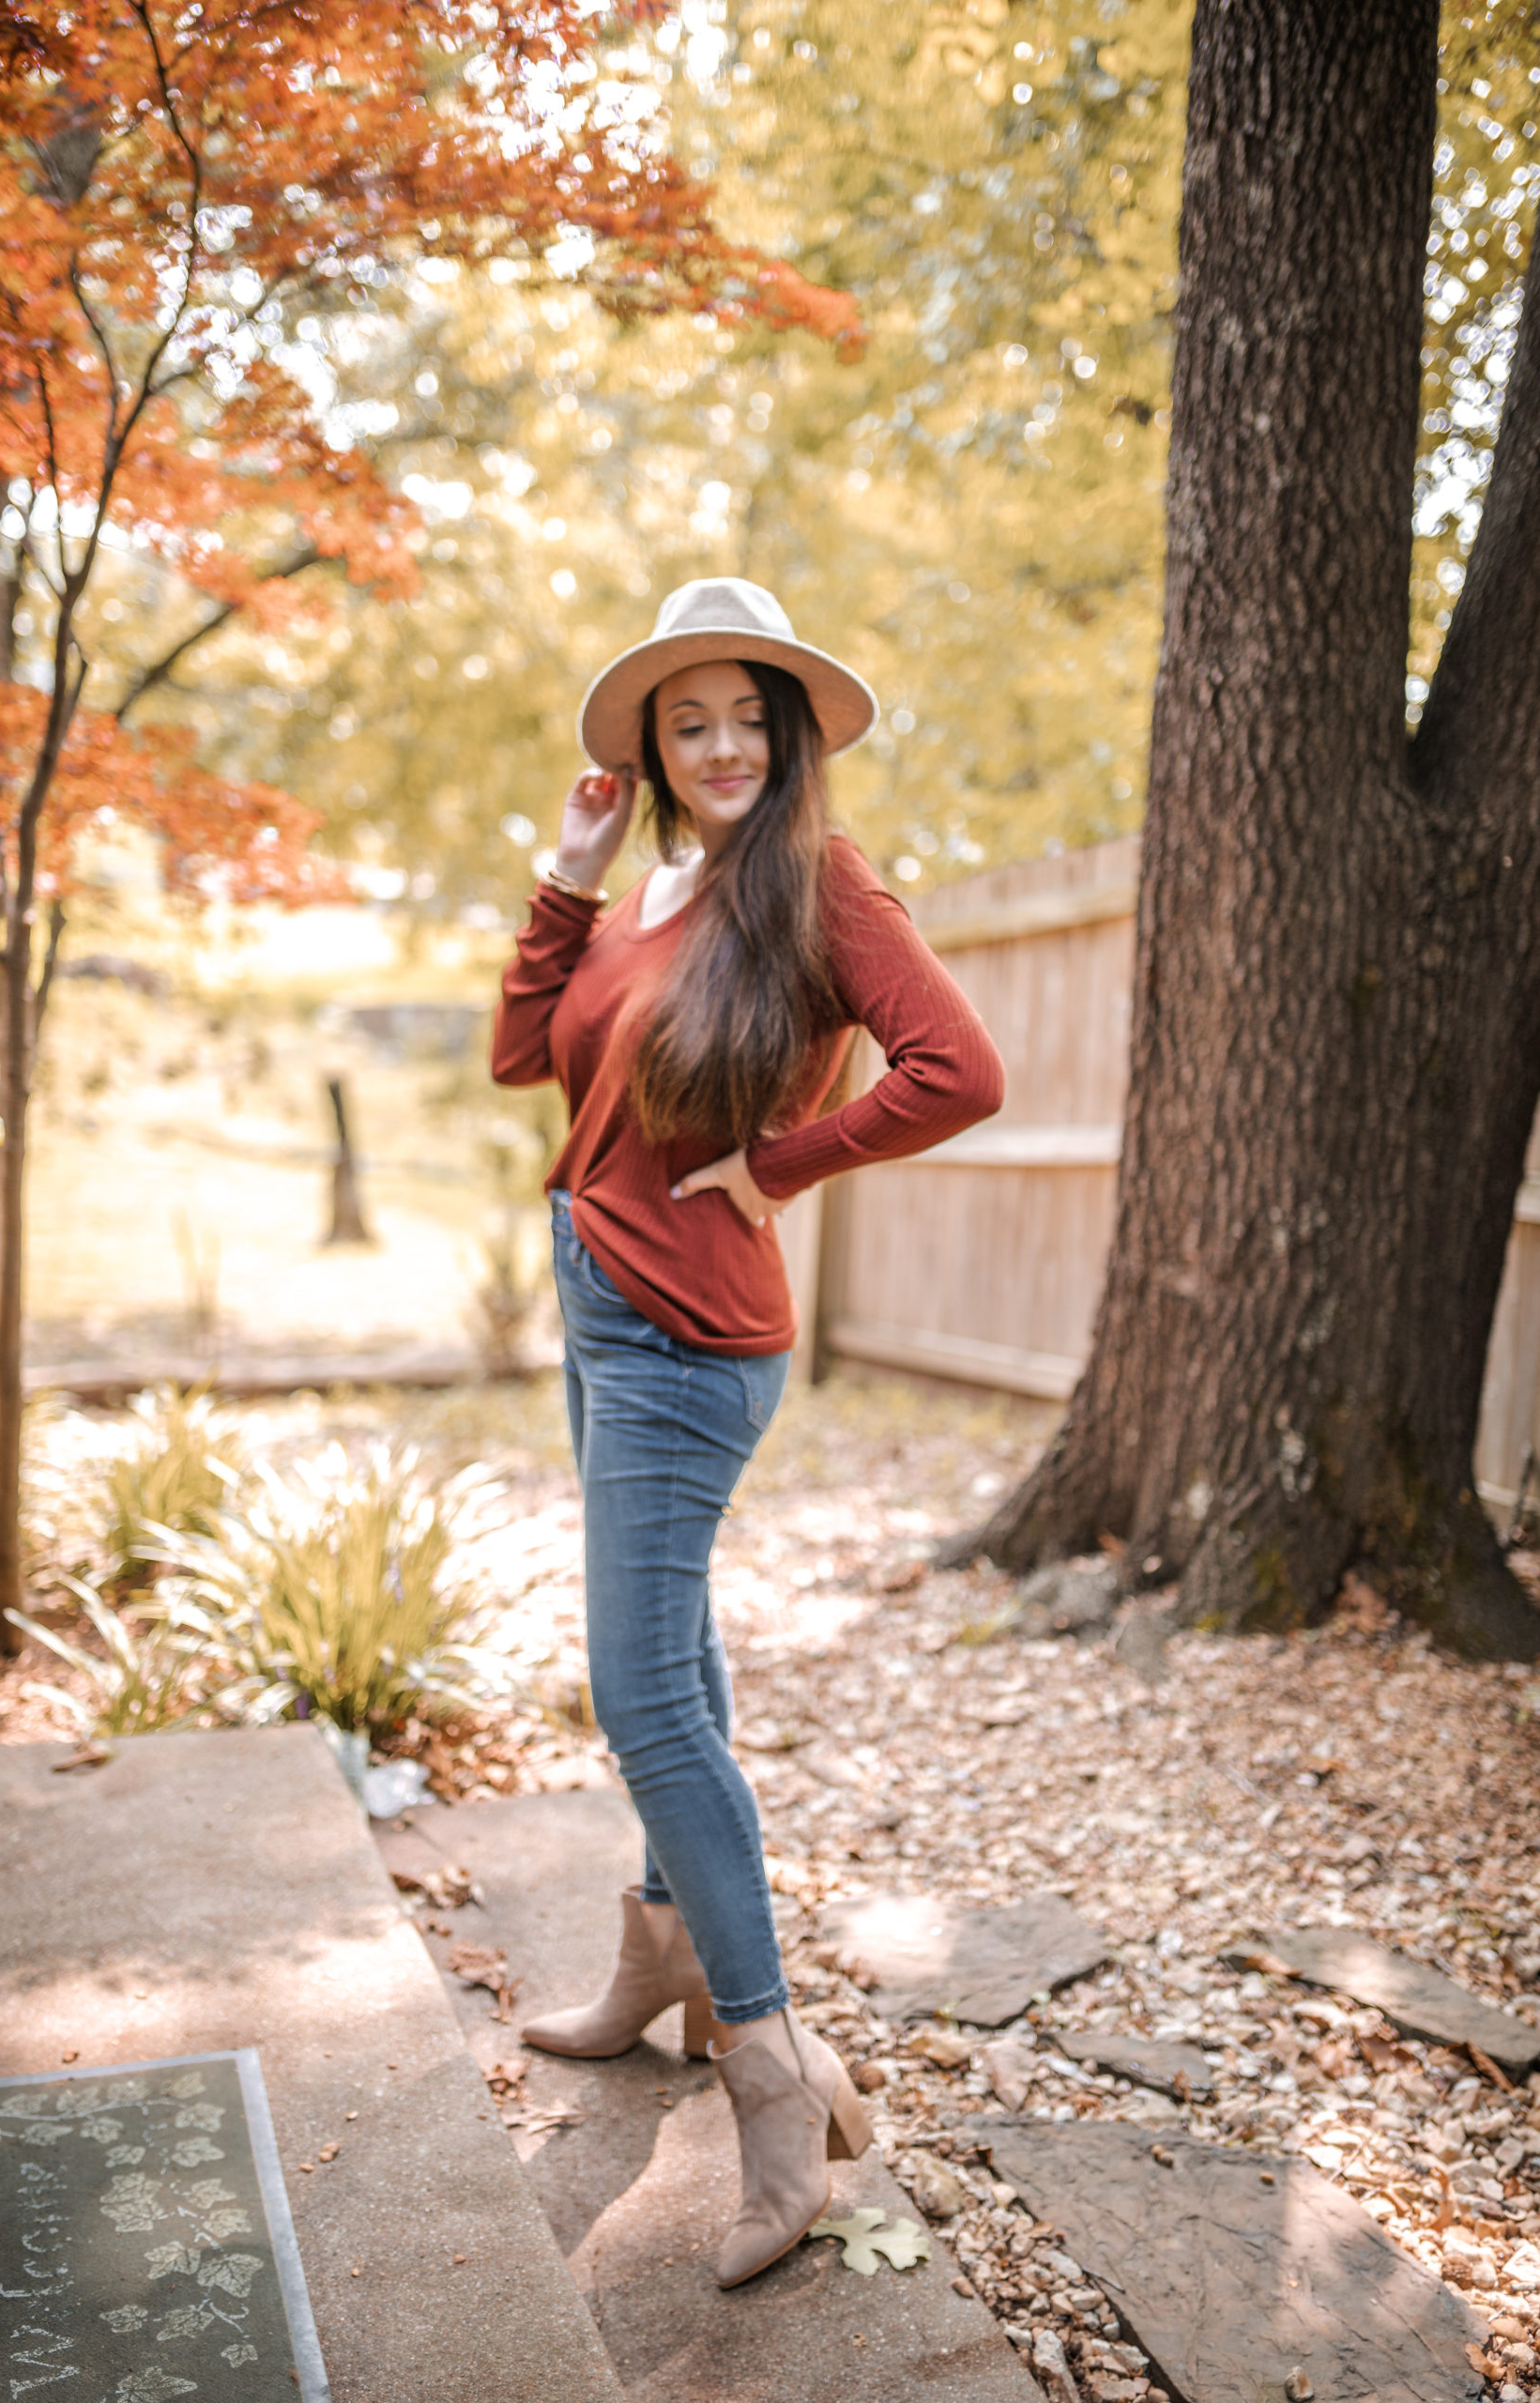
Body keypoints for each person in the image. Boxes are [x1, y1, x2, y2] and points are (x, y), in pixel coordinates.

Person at [491, 576, 1005, 2288]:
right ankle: (656, 1960)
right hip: (592, 1290)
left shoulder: (818, 884)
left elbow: (959, 1069)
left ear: (788, 740)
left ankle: (772, 2066)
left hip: (682, 1335)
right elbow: (524, 1062)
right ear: (652, 744)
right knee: (674, 1650)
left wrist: (777, 1165)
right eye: (686, 721)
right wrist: (565, 885)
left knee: (638, 1687)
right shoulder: (649, 888)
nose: (719, 747)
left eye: (745, 720)